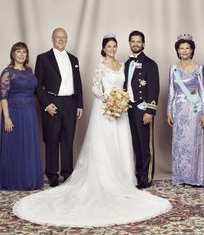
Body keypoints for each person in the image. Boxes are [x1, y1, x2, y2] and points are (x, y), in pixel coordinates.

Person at [13, 34, 172, 227]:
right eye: (109, 46)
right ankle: (93, 179)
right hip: (105, 110)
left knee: (121, 143)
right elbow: (95, 88)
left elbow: (128, 88)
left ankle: (126, 178)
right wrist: (109, 98)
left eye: (115, 46)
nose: (112, 49)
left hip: (121, 112)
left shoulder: (124, 65)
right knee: (102, 144)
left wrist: (121, 100)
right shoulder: (100, 66)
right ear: (103, 48)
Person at [35, 28, 83, 187]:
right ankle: (52, 175)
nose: (60, 40)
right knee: (52, 140)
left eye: (63, 37)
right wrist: (46, 104)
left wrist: (79, 104)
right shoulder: (43, 58)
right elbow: (38, 85)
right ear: (52, 39)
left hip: (70, 103)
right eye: (57, 37)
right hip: (52, 102)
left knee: (68, 140)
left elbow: (78, 83)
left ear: (67, 39)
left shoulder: (74, 59)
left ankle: (67, 173)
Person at [0, 42, 43, 190]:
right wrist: (6, 117)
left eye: (24, 52)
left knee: (28, 147)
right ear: (13, 54)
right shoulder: (7, 72)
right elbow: (3, 96)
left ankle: (28, 180)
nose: (21, 54)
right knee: (15, 146)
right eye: (18, 51)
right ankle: (13, 181)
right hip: (14, 113)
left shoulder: (29, 71)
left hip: (30, 112)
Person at [167, 34, 204, 187]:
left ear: (192, 50)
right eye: (181, 48)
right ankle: (180, 177)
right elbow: (171, 92)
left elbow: (203, 93)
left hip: (194, 109)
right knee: (179, 144)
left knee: (194, 142)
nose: (184, 51)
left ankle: (195, 178)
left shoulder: (199, 68)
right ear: (177, 50)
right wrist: (169, 112)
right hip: (178, 110)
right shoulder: (173, 69)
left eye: (187, 48)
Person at [124, 30, 160, 189]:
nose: (136, 44)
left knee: (146, 145)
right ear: (129, 43)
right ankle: (138, 176)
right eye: (133, 41)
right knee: (136, 145)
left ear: (143, 44)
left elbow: (154, 89)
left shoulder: (150, 64)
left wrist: (150, 111)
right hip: (128, 109)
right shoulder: (125, 64)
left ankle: (147, 177)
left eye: (139, 41)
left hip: (143, 108)